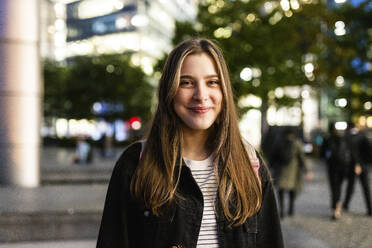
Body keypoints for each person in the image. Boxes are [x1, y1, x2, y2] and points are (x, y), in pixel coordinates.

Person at [97, 38, 284, 248]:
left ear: (224, 91)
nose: (201, 95)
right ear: (169, 90)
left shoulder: (249, 163)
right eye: (186, 82)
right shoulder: (135, 163)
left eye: (212, 82)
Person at [274, 127, 313, 218]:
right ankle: (291, 209)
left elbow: (273, 156)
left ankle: (282, 210)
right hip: (293, 170)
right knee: (292, 190)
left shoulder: (279, 142)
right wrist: (307, 170)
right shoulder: (296, 143)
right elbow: (302, 157)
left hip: (281, 170)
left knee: (281, 190)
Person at [321, 122, 350, 220]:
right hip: (343, 167)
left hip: (332, 168)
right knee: (339, 188)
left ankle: (335, 209)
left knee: (334, 188)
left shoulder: (327, 139)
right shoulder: (342, 138)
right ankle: (338, 207)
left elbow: (322, 154)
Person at [343, 122, 372, 216]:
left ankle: (346, 205)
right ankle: (369, 208)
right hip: (363, 165)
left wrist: (357, 164)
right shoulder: (362, 135)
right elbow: (369, 150)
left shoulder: (347, 137)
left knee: (350, 187)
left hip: (354, 165)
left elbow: (351, 152)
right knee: (366, 188)